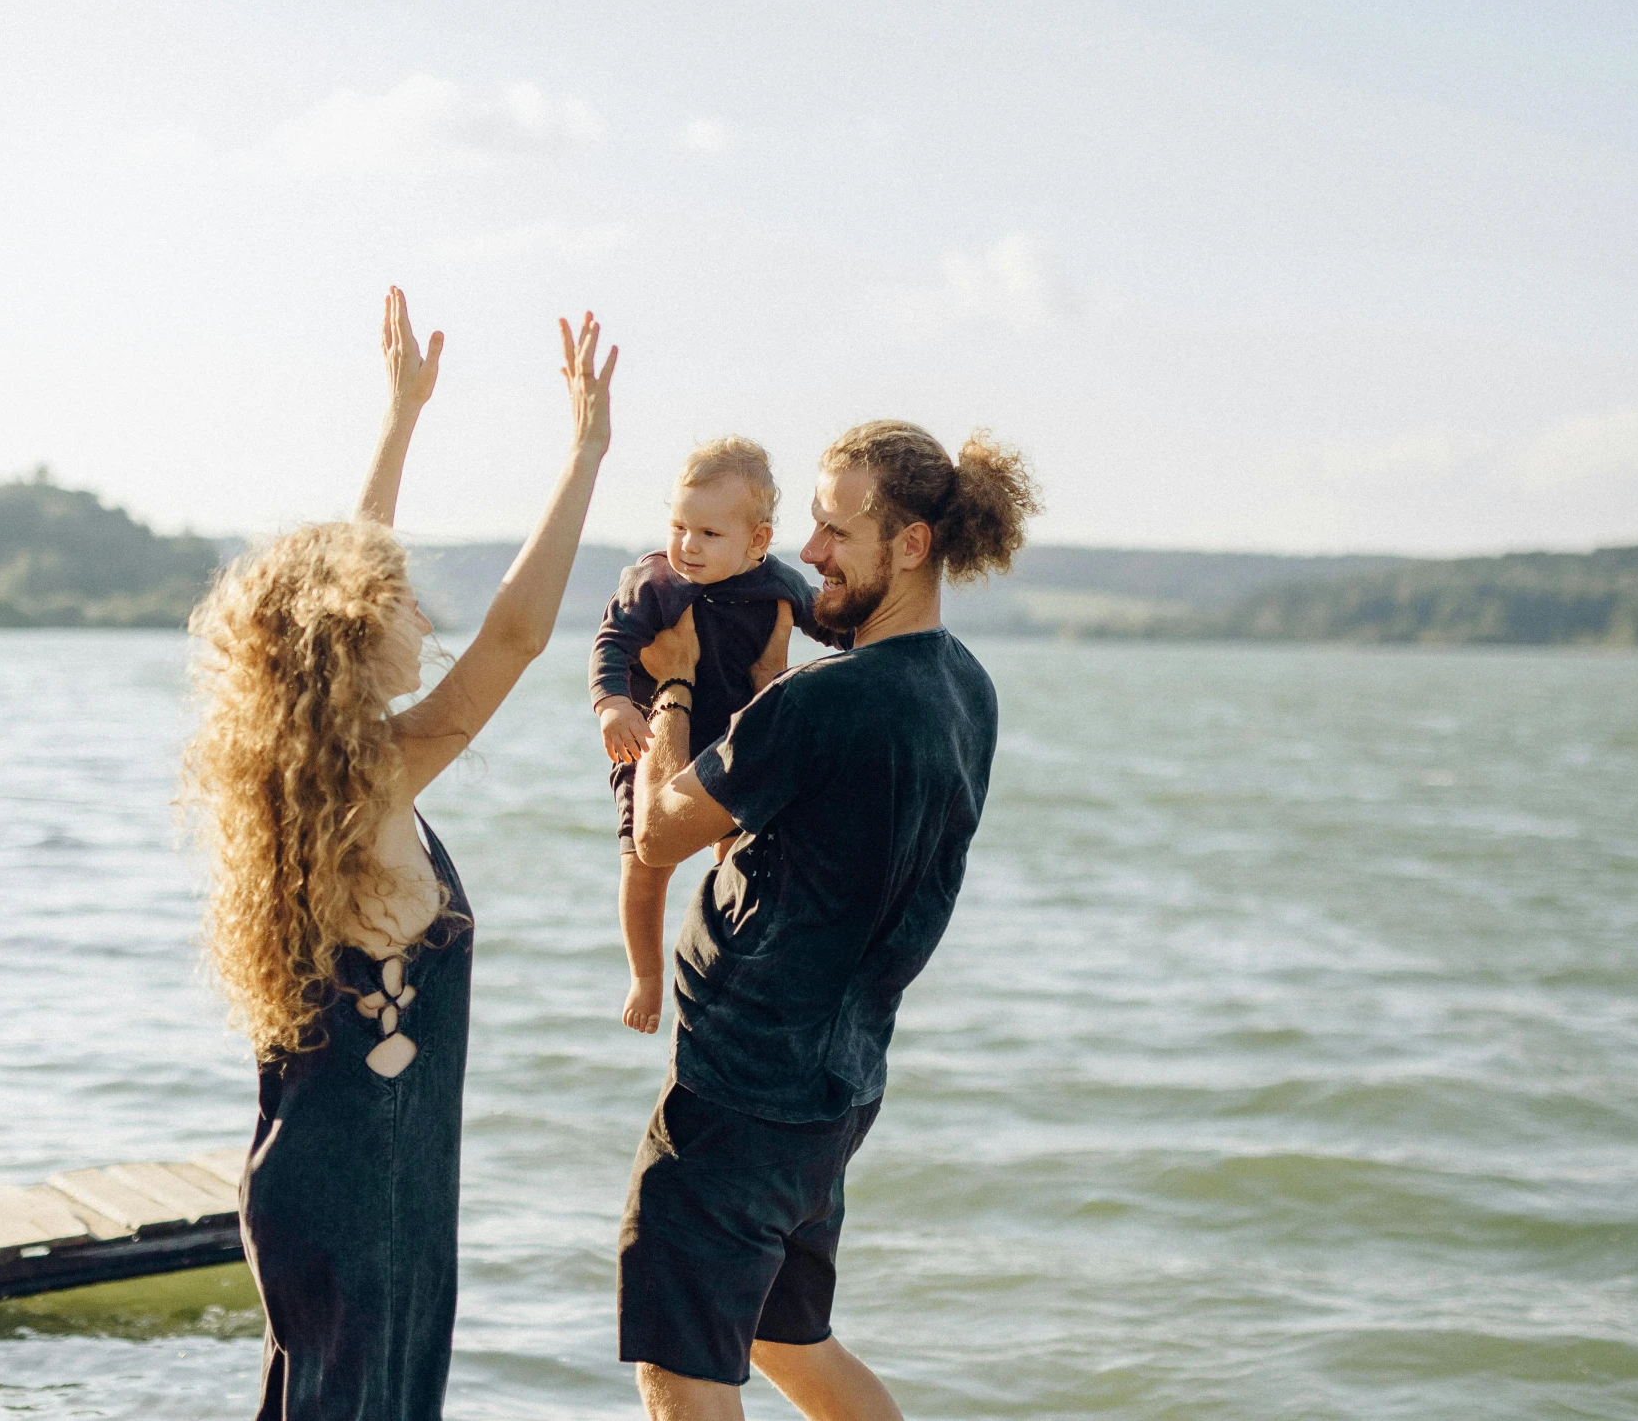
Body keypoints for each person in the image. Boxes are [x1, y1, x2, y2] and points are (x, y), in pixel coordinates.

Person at [184, 288, 616, 1421]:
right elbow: (517, 637)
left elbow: (337, 580)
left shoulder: (311, 781)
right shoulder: (364, 784)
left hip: (344, 1180)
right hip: (364, 1195)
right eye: (401, 607)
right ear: (348, 636)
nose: (423, 622)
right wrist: (585, 456)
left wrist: (402, 417)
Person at [620, 420, 1040, 1421]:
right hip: (833, 1086)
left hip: (742, 1092)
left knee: (681, 1369)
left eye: (831, 529)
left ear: (909, 545)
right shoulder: (964, 688)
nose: (805, 552)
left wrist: (674, 677)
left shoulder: (822, 700)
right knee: (784, 1338)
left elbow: (658, 831)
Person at [589, 437, 844, 1033]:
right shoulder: (654, 582)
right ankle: (647, 975)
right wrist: (612, 705)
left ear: (757, 541)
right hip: (652, 740)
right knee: (643, 862)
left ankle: (728, 953)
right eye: (680, 525)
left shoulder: (778, 584)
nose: (687, 545)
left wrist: (867, 648)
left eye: (709, 533)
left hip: (728, 742)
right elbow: (611, 642)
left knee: (738, 851)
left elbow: (831, 630)